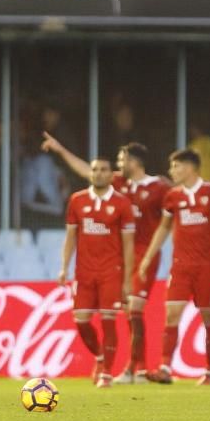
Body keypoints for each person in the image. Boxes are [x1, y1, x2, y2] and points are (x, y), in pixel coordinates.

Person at [42, 135, 170, 384]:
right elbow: (86, 170)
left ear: (135, 162)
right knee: (126, 311)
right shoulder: (118, 184)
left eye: (122, 160)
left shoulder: (160, 186)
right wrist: (60, 150)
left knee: (132, 309)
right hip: (120, 258)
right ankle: (132, 368)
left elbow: (177, 206)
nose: (118, 165)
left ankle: (138, 368)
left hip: (144, 254)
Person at [138, 148, 210, 385]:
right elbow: (163, 228)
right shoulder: (173, 196)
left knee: (208, 316)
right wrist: (149, 257)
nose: (172, 171)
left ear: (189, 167)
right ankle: (165, 368)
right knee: (172, 313)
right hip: (180, 266)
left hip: (207, 267)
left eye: (175, 166)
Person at [58, 158, 135, 389]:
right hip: (84, 272)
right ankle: (100, 357)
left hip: (111, 271)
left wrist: (128, 279)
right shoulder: (77, 200)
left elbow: (128, 244)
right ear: (90, 174)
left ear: (112, 175)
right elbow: (70, 237)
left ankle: (107, 374)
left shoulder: (122, 204)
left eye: (103, 169)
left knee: (108, 320)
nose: (98, 173)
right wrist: (64, 267)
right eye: (94, 170)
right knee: (81, 321)